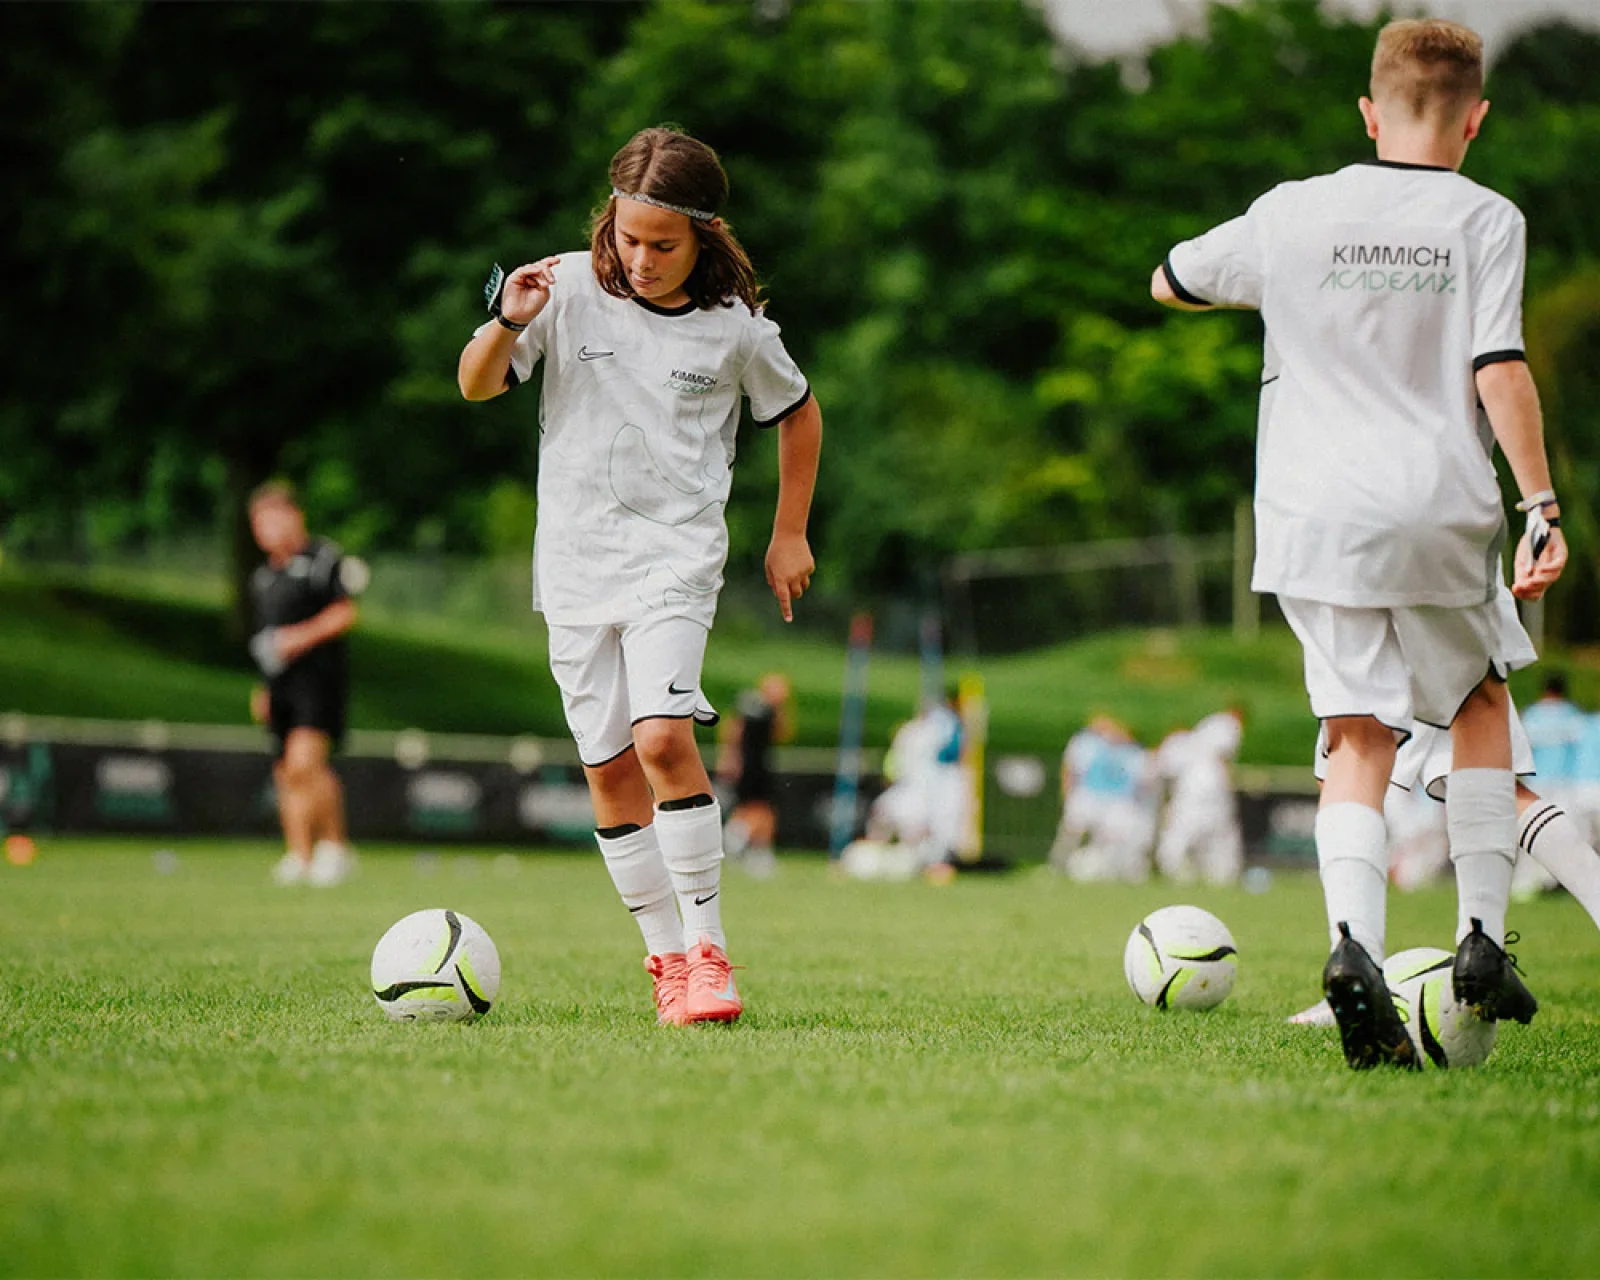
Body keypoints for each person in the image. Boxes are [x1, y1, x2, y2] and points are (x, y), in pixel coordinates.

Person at [1154, 18, 1566, 1070]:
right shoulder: (1486, 217)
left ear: (1367, 113)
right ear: (1474, 119)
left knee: (1355, 734)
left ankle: (1353, 951)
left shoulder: (1292, 211)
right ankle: (1478, 937)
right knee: (1477, 702)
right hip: (1436, 505)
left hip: (1309, 517)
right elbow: (1500, 365)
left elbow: (1170, 278)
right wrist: (1542, 505)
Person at [456, 126, 822, 1028]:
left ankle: (709, 954)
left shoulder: (735, 330)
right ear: (608, 224)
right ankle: (664, 961)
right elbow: (472, 384)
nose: (643, 258)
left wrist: (788, 534)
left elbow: (801, 414)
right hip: (576, 570)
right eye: (629, 238)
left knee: (663, 740)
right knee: (611, 773)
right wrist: (508, 317)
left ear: (705, 233)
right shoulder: (563, 291)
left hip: (676, 561)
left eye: (664, 243)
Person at [246, 482, 360, 887]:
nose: (266, 531)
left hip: (318, 681)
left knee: (305, 764)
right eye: (259, 523)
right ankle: (299, 854)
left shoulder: (322, 560)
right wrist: (263, 687)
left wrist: (300, 637)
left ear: (294, 516)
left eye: (273, 519)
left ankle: (334, 846)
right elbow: (266, 640)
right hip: (281, 687)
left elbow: (344, 613)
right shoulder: (262, 577)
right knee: (285, 772)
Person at [1049, 715, 1154, 883]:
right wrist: (1067, 793)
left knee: (1113, 837)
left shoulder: (1133, 753)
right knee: (1073, 830)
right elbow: (1071, 769)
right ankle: (1058, 865)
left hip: (1116, 800)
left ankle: (1114, 870)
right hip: (1089, 795)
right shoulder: (1088, 744)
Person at [1154, 708, 1244, 886]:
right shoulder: (1225, 724)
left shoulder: (1186, 742)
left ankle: (1175, 867)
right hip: (1207, 789)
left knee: (1186, 831)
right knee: (1215, 833)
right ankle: (1218, 873)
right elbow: (1222, 756)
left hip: (1190, 790)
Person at [718, 672, 793, 879]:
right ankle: (739, 844)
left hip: (762, 764)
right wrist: (729, 758)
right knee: (756, 810)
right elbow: (733, 732)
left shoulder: (771, 712)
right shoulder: (750, 707)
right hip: (748, 765)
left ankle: (746, 847)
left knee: (760, 810)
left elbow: (783, 734)